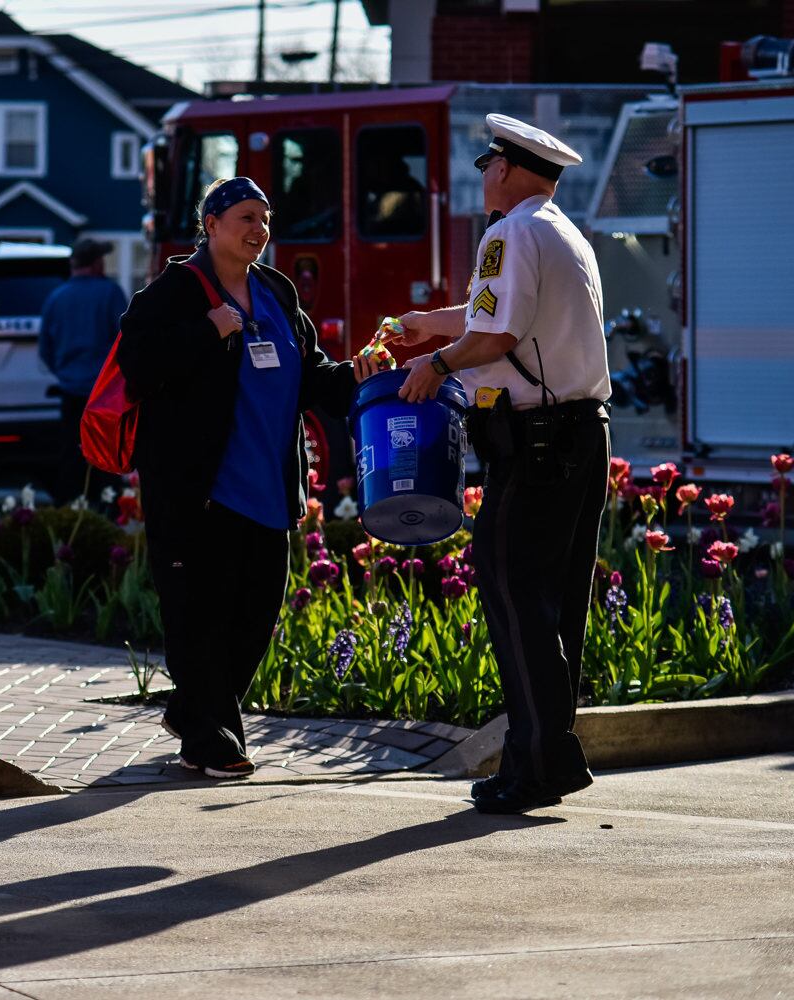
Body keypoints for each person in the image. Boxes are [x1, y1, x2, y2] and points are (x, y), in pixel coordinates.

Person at [117, 177, 379, 778]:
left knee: (254, 621)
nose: (259, 229)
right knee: (198, 618)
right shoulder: (176, 291)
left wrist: (357, 375)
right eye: (245, 217)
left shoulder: (276, 290)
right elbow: (138, 363)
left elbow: (311, 375)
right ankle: (212, 741)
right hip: (197, 493)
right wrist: (209, 329)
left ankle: (192, 712)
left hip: (269, 489)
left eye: (265, 218)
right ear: (210, 224)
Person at [389, 114, 613, 814]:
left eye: (488, 163)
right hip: (579, 434)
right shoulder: (558, 230)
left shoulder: (508, 232)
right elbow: (496, 317)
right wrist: (434, 322)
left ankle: (542, 764)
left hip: (539, 441)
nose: (481, 174)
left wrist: (435, 363)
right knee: (552, 607)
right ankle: (535, 757)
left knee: (515, 599)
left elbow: (501, 335)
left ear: (509, 169)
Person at [39, 237, 129, 504]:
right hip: (104, 395)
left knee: (71, 456)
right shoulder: (110, 293)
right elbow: (125, 341)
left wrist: (65, 373)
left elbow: (45, 349)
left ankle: (69, 515)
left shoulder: (56, 298)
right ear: (95, 263)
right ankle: (110, 516)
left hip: (70, 391)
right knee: (107, 457)